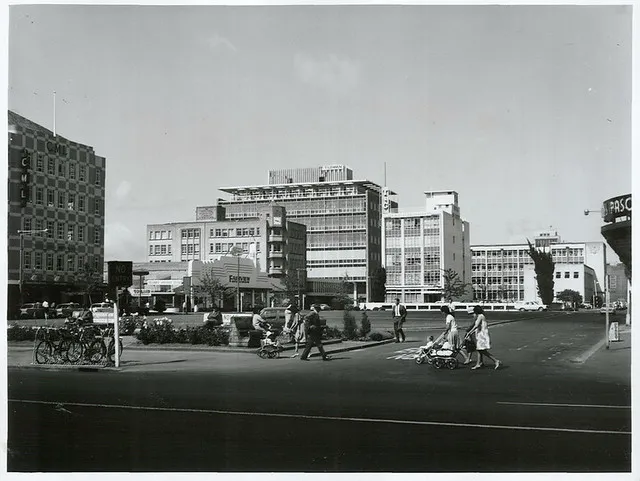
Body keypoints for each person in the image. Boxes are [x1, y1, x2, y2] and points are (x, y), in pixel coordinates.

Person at [468, 305, 501, 370]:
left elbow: (476, 325)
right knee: (479, 349)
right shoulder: (481, 316)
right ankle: (479, 363)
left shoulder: (480, 316)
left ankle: (495, 360)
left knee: (481, 350)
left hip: (482, 334)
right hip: (481, 333)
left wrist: (470, 332)